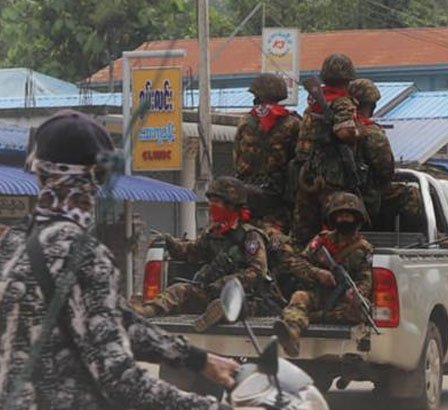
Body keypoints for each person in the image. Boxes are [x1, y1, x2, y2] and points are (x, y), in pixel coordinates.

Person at [0, 110, 237, 410]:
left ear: (38, 173)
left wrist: (198, 359)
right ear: (95, 179)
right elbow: (121, 379)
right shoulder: (85, 255)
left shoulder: (13, 242)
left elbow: (114, 320)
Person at [135, 176, 271, 332]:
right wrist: (170, 242)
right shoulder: (213, 233)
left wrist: (227, 282)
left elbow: (257, 271)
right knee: (179, 289)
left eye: (216, 202)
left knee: (237, 304)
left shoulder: (250, 236)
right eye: (210, 201)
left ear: (231, 205)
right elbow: (193, 252)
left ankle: (218, 312)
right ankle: (148, 311)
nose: (211, 206)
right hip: (211, 292)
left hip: (244, 295)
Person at [275, 192, 374, 357]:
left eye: (348, 216)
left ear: (357, 218)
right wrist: (316, 273)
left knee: (357, 313)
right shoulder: (321, 241)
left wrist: (357, 293)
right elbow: (295, 262)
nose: (344, 220)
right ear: (333, 218)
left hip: (342, 300)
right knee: (299, 296)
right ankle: (291, 334)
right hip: (318, 292)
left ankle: (308, 318)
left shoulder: (364, 249)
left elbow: (366, 278)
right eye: (340, 216)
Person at [291, 53, 362, 247]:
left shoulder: (314, 102)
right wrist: (359, 132)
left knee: (302, 234)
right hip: (331, 177)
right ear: (348, 79)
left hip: (306, 175)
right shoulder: (342, 102)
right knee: (336, 233)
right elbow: (344, 133)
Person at [234, 73, 300, 231]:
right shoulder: (293, 123)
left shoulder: (245, 122)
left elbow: (237, 158)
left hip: (248, 195)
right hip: (279, 197)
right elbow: (298, 161)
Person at [347, 78, 395, 218]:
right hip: (363, 198)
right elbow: (386, 171)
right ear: (372, 105)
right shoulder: (371, 132)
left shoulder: (335, 124)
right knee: (412, 195)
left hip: (327, 197)